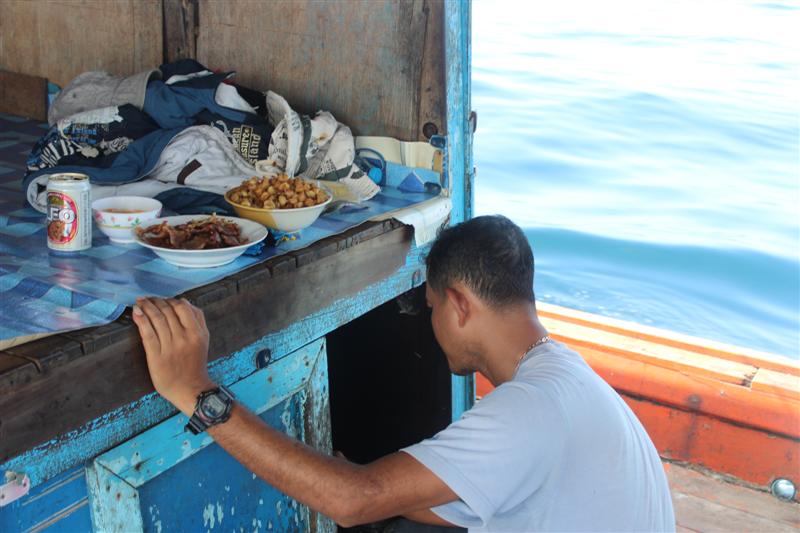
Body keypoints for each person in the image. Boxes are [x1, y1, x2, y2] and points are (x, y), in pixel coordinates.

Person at [132, 215, 675, 532]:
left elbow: (352, 503)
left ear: (459, 305)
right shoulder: (565, 380)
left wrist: (198, 391)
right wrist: (368, 479)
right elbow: (469, 497)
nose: (432, 322)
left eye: (431, 307)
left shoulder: (525, 414)